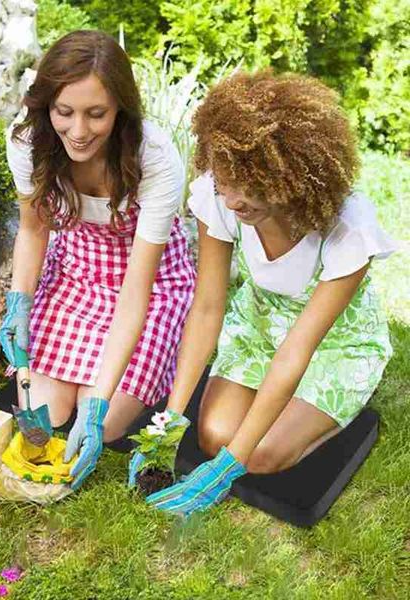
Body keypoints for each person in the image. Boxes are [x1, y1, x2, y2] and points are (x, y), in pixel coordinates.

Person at [129, 70, 396, 515]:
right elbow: (209, 307)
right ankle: (288, 415)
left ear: (289, 174)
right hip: (259, 322)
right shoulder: (220, 197)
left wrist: (231, 465)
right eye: (224, 181)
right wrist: (170, 420)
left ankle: (334, 409)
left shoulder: (349, 228)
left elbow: (299, 349)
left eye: (250, 186)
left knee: (257, 454)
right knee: (213, 435)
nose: (233, 200)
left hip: (333, 342)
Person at [0, 30, 196, 490]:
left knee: (101, 424)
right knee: (46, 411)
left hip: (148, 286)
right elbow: (33, 229)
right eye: (64, 112)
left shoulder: (156, 159)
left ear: (120, 110)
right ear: (46, 104)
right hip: (76, 274)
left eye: (96, 114)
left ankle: (126, 389)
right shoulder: (27, 141)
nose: (79, 131)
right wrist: (19, 304)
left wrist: (100, 402)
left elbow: (135, 291)